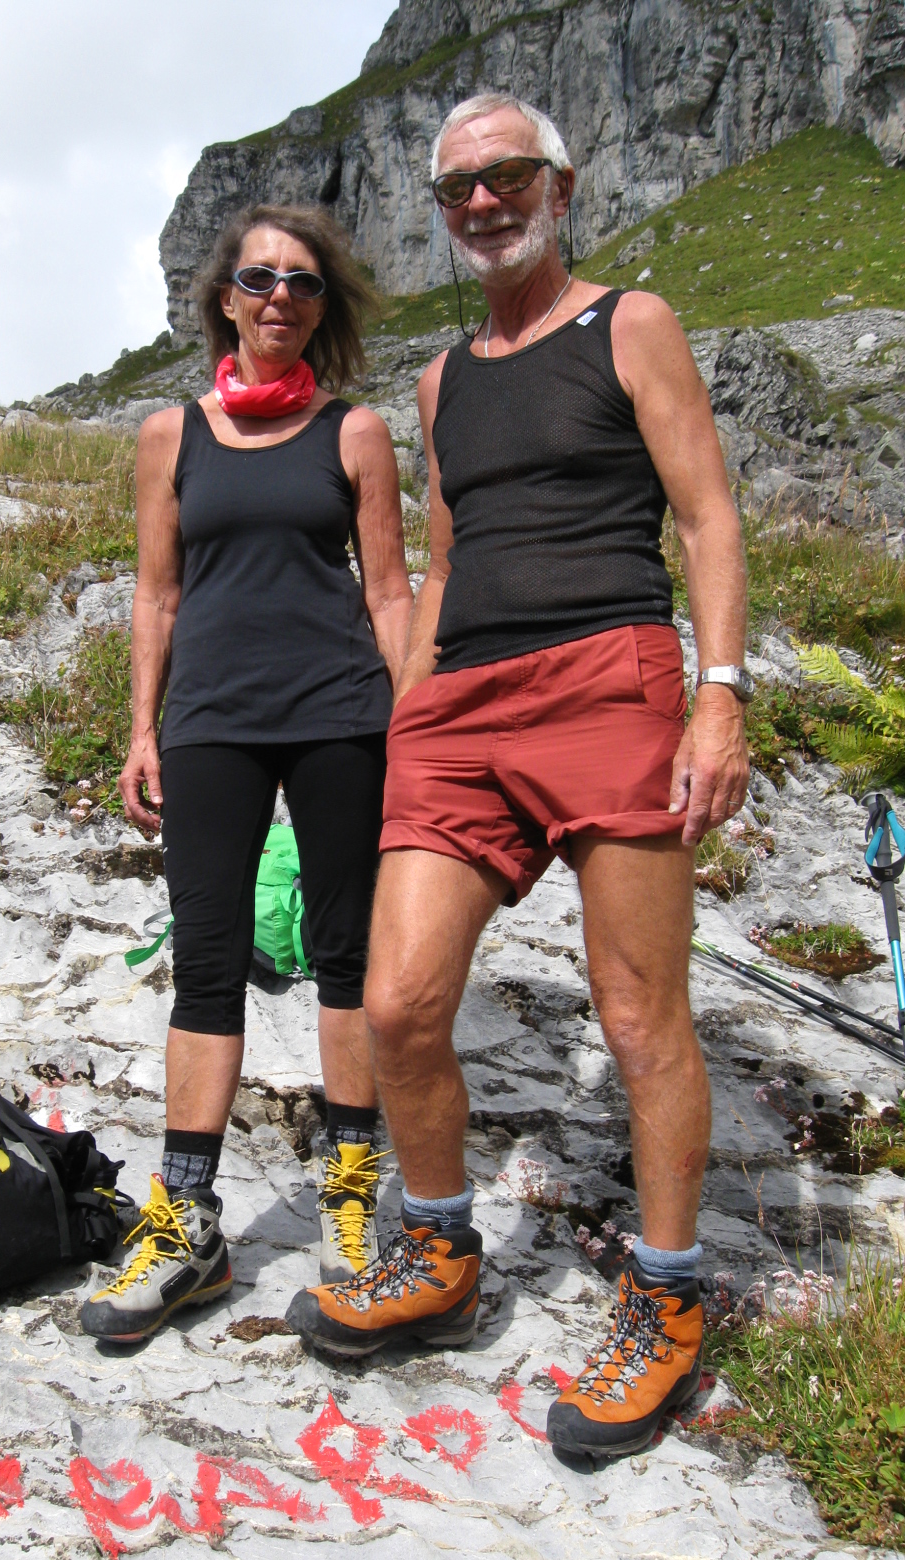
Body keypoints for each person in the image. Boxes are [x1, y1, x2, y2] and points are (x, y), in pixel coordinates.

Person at [287, 94, 750, 1460]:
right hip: (460, 707)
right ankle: (439, 1254)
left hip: (609, 677)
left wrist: (719, 696)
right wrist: (410, 705)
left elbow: (707, 513)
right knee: (398, 999)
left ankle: (667, 1301)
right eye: (459, 188)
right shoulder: (442, 381)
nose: (484, 203)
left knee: (639, 1014)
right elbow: (442, 556)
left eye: (508, 177)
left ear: (561, 183)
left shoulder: (632, 325)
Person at [81, 204, 414, 1344]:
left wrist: (419, 720)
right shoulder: (169, 434)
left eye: (304, 283)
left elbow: (389, 593)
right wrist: (142, 728)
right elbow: (157, 592)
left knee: (347, 957)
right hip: (210, 722)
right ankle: (188, 1224)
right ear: (225, 297)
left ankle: (352, 1201)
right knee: (208, 960)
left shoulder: (356, 432)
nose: (281, 297)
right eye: (261, 278)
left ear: (324, 309)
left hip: (342, 715)